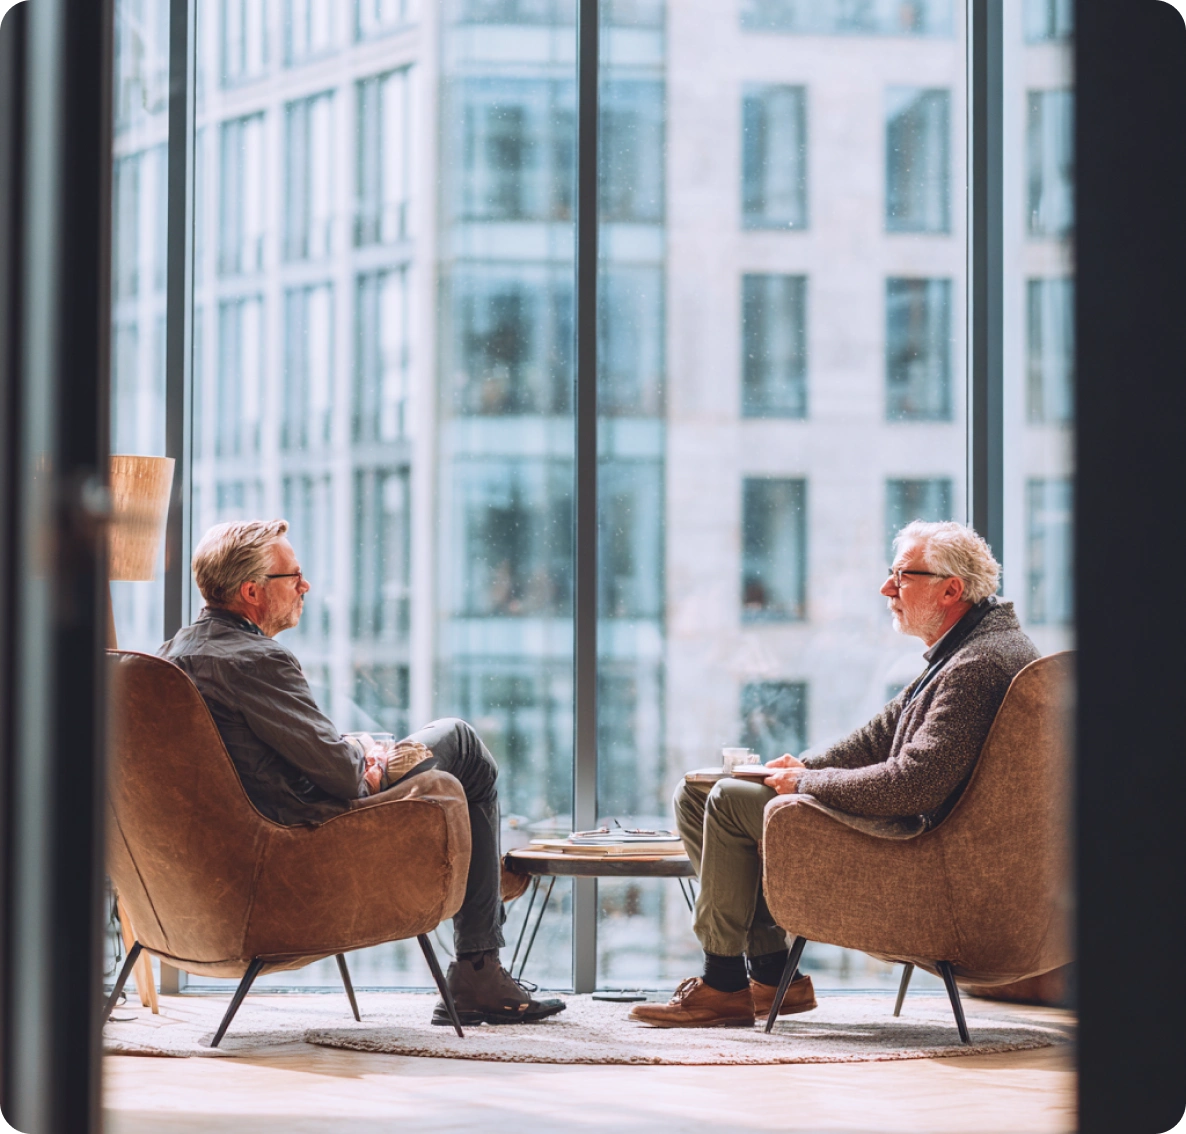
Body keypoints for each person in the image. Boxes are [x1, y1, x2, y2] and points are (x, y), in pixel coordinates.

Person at [631, 521, 1039, 1028]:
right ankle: (775, 974)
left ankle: (723, 983)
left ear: (951, 589)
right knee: (697, 795)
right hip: (923, 836)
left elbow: (911, 783)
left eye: (903, 576)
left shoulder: (976, 665)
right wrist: (803, 766)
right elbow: (877, 737)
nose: (886, 588)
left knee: (731, 800)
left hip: (922, 854)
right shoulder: (970, 648)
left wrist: (804, 784)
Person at [159, 519, 565, 1027]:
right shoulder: (257, 660)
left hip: (240, 848)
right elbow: (342, 778)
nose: (305, 585)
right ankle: (479, 961)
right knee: (461, 744)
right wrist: (365, 759)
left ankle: (477, 891)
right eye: (294, 575)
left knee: (398, 747)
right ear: (251, 592)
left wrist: (355, 752)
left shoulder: (173, 656)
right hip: (310, 834)